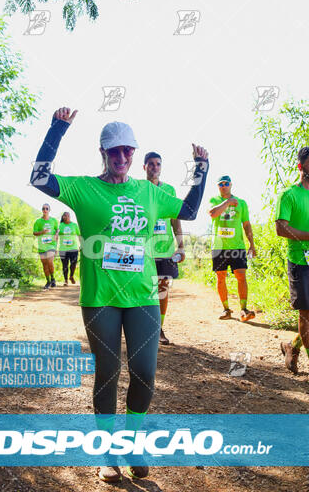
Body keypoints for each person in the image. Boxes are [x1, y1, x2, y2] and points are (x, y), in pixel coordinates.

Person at [30, 107, 209, 483]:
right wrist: (57, 129)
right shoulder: (83, 188)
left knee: (144, 374)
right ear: (103, 153)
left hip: (143, 295)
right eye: (115, 151)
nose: (123, 158)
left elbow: (190, 210)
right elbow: (39, 176)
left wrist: (200, 169)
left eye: (129, 151)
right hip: (100, 298)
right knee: (108, 373)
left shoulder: (148, 191)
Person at [143, 151, 185, 345]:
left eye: (158, 164)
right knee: (144, 289)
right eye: (150, 164)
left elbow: (175, 219)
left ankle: (158, 328)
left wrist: (181, 245)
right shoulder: (138, 189)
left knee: (161, 289)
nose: (154, 167)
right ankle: (142, 328)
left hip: (165, 250)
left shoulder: (169, 190)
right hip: (143, 250)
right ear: (144, 167)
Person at [276, 147, 309, 374]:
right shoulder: (289, 195)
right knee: (306, 313)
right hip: (299, 261)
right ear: (300, 166)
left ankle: (291, 346)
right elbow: (281, 228)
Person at [208, 176, 256, 321]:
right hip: (219, 247)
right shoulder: (214, 200)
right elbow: (213, 213)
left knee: (241, 276)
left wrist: (252, 244)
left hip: (237, 246)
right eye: (220, 184)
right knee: (221, 277)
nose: (223, 186)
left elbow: (246, 225)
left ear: (231, 185)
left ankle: (244, 309)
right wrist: (228, 202)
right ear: (218, 186)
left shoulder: (241, 203)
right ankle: (226, 309)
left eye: (226, 183)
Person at [33, 204, 58, 289]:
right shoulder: (38, 221)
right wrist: (42, 232)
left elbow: (57, 229)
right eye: (43, 208)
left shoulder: (54, 220)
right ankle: (48, 281)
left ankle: (53, 278)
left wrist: (56, 235)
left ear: (49, 210)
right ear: (42, 210)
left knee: (50, 261)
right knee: (44, 265)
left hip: (51, 245)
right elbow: (34, 233)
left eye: (47, 208)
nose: (45, 210)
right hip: (42, 246)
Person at [59, 211, 80, 285]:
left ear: (70, 217)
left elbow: (79, 235)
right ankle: (65, 280)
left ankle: (71, 276)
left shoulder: (74, 225)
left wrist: (81, 244)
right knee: (64, 265)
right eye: (65, 216)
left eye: (68, 216)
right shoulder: (60, 225)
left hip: (73, 248)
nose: (66, 217)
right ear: (63, 217)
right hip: (63, 248)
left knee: (73, 263)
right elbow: (56, 235)